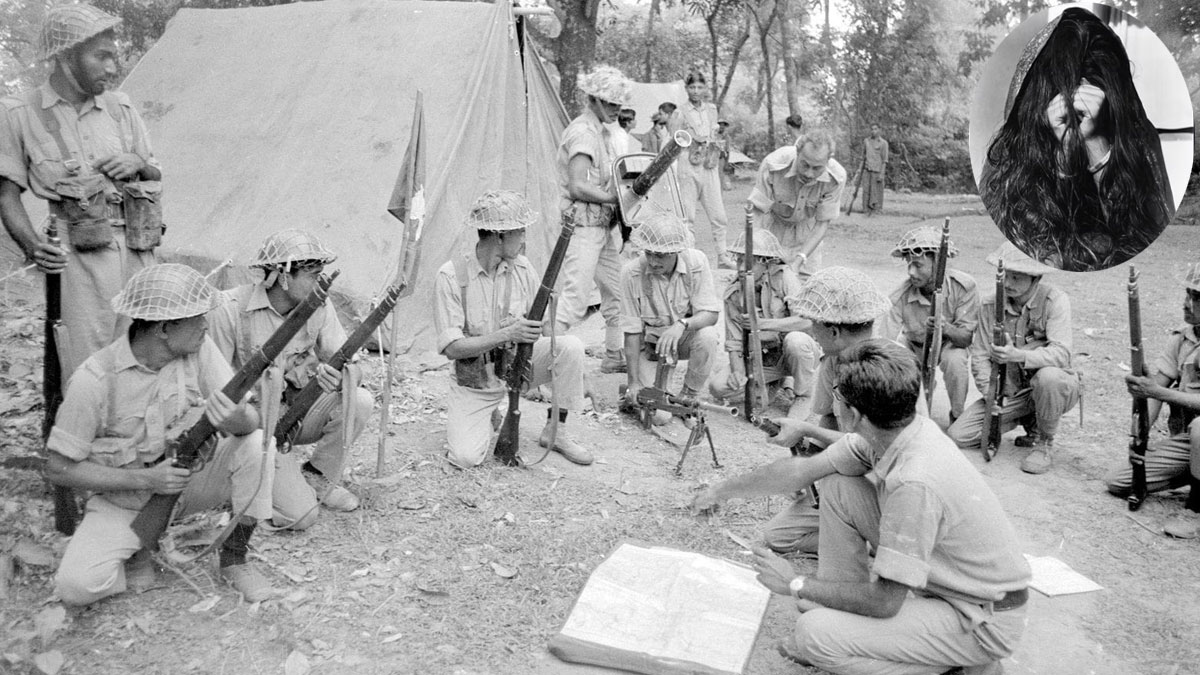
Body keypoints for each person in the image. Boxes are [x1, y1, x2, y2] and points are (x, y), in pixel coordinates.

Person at [693, 339, 1031, 675]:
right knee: (840, 485)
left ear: (853, 415)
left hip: (983, 618)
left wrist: (795, 582)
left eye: (838, 397)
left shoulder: (915, 482)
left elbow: (885, 602)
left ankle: (962, 663)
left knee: (814, 635)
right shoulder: (897, 431)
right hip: (956, 589)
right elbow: (800, 472)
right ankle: (939, 648)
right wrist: (721, 491)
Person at [47, 264, 275, 605]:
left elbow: (249, 424)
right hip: (125, 500)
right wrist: (148, 480)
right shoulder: (93, 380)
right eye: (196, 317)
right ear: (164, 328)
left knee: (259, 445)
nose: (205, 324)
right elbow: (57, 468)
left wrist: (238, 416)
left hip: (190, 483)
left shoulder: (198, 347)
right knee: (76, 587)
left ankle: (235, 559)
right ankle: (138, 552)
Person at [0, 3, 163, 378]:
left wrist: (137, 162)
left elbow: (155, 169)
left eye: (114, 56)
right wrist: (31, 246)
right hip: (78, 256)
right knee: (87, 364)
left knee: (145, 353)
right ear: (64, 56)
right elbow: (6, 194)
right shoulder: (18, 113)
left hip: (138, 249)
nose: (112, 67)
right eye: (101, 56)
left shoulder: (120, 108)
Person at [979, 7, 1174, 272]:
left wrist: (1096, 146)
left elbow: (1147, 241)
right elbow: (1019, 247)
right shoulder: (1011, 145)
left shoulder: (1140, 138)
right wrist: (1061, 159)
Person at [207, 230, 370, 529]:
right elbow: (216, 394)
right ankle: (240, 483)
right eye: (312, 274)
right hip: (251, 429)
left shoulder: (319, 304)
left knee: (359, 400)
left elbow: (353, 366)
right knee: (301, 516)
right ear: (282, 275)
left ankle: (317, 476)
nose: (320, 283)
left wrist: (340, 376)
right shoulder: (229, 310)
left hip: (293, 413)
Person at [730, 266, 891, 554]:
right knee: (778, 537)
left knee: (891, 542)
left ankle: (882, 540)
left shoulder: (887, 370)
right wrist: (809, 462)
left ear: (834, 330)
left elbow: (872, 449)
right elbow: (828, 417)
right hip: (848, 472)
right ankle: (861, 539)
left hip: (886, 487)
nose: (810, 330)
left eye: (814, 323)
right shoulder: (833, 361)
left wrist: (804, 431)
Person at [433, 190, 593, 468]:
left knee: (571, 348)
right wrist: (507, 334)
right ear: (499, 236)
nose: (523, 238)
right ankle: (489, 413)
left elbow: (543, 331)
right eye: (519, 231)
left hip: (517, 366)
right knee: (465, 458)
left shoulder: (522, 267)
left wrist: (550, 313)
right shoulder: (451, 276)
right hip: (477, 380)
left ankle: (556, 431)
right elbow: (452, 348)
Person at [948, 243, 1080, 475]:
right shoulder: (990, 304)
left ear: (1035, 278)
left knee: (1049, 378)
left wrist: (1020, 355)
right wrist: (991, 394)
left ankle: (1044, 441)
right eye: (1005, 276)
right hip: (1010, 393)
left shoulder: (1055, 301)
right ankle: (1027, 419)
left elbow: (1062, 354)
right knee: (960, 435)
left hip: (1052, 388)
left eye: (1017, 277)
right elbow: (979, 354)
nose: (1008, 283)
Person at [1104, 263, 1200, 539]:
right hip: (1190, 444)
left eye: (1197, 298)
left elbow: (1160, 392)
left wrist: (1158, 392)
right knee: (1119, 481)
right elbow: (1156, 387)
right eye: (1188, 293)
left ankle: (1196, 508)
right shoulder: (1184, 337)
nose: (1187, 303)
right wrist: (1140, 437)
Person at [553, 65, 633, 374]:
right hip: (583, 227)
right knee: (575, 298)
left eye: (619, 104)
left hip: (601, 227)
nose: (617, 109)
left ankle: (613, 354)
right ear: (595, 100)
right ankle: (547, 360)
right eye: (611, 103)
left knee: (617, 292)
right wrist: (615, 198)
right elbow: (578, 185)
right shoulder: (583, 132)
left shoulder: (602, 132)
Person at [708, 228, 820, 421]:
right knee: (718, 387)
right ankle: (773, 383)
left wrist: (763, 324)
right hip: (760, 358)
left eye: (748, 261)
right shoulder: (734, 292)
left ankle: (803, 395)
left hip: (792, 353)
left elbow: (806, 320)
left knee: (796, 341)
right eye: (739, 260)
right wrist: (737, 372)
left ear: (766, 262)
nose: (741, 268)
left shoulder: (785, 277)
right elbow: (734, 341)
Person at [619, 212, 720, 424]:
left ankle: (688, 398)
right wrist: (634, 382)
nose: (653, 261)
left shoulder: (696, 262)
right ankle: (632, 392)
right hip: (652, 349)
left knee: (708, 336)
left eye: (661, 255)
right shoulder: (631, 273)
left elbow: (711, 314)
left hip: (682, 339)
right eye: (649, 253)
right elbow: (632, 333)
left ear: (676, 252)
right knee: (659, 417)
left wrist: (682, 324)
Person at [884, 226, 979, 425]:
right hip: (915, 346)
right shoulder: (900, 295)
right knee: (899, 360)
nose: (911, 272)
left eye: (918, 265)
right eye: (909, 265)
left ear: (938, 264)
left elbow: (965, 338)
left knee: (955, 360)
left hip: (949, 344)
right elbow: (884, 341)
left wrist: (944, 327)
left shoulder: (963, 287)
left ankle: (957, 415)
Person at [748, 127, 845, 277]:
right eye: (805, 165)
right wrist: (757, 249)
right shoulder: (773, 164)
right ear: (797, 152)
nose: (809, 173)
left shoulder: (837, 178)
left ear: (828, 160)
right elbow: (757, 212)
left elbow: (822, 224)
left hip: (808, 234)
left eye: (817, 168)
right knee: (760, 283)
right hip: (772, 229)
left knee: (805, 288)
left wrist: (800, 260)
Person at [669, 71, 733, 269]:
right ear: (686, 89)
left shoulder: (712, 110)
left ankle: (722, 256)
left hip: (709, 163)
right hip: (688, 163)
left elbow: (716, 132)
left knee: (719, 214)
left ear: (705, 88)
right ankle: (690, 259)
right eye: (692, 87)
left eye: (699, 87)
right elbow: (674, 138)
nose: (696, 91)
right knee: (687, 215)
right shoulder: (680, 112)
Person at [862, 124, 888, 215]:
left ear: (879, 130)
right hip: (867, 169)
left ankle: (877, 209)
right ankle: (865, 209)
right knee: (866, 190)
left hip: (877, 170)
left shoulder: (883, 143)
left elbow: (885, 160)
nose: (873, 131)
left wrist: (882, 174)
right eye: (872, 129)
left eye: (875, 129)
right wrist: (860, 170)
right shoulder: (866, 141)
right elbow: (863, 156)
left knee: (877, 191)